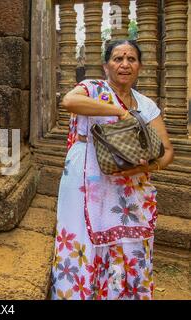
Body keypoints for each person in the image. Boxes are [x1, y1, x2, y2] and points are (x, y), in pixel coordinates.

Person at [50, 40, 174, 300]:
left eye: (131, 59)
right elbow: (69, 101)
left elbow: (167, 150)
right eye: (118, 59)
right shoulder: (93, 89)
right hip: (87, 180)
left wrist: (146, 167)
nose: (125, 64)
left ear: (139, 66)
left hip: (130, 185)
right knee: (82, 240)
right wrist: (119, 112)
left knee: (128, 245)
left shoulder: (146, 104)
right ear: (106, 65)